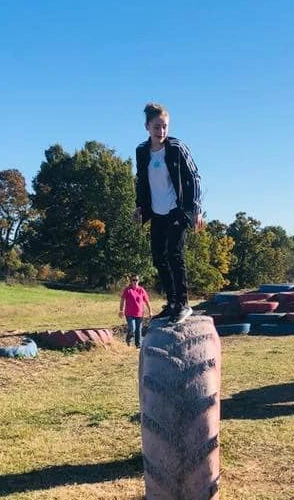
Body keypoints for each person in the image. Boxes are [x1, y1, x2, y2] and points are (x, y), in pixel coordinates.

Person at [134, 102, 203, 324]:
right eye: (156, 127)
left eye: (164, 127)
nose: (161, 131)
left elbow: (194, 177)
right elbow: (142, 182)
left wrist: (195, 209)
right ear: (147, 127)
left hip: (177, 209)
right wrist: (140, 207)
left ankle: (183, 304)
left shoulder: (176, 148)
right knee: (158, 257)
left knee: (174, 254)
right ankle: (171, 302)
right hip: (157, 212)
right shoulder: (142, 152)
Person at [118, 275, 153, 348]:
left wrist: (150, 311)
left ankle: (138, 345)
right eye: (133, 280)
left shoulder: (141, 290)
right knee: (132, 328)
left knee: (138, 330)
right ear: (131, 281)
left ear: (138, 281)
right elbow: (122, 300)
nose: (135, 282)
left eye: (136, 280)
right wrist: (121, 310)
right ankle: (129, 340)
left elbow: (147, 301)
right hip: (129, 313)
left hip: (139, 314)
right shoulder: (128, 290)